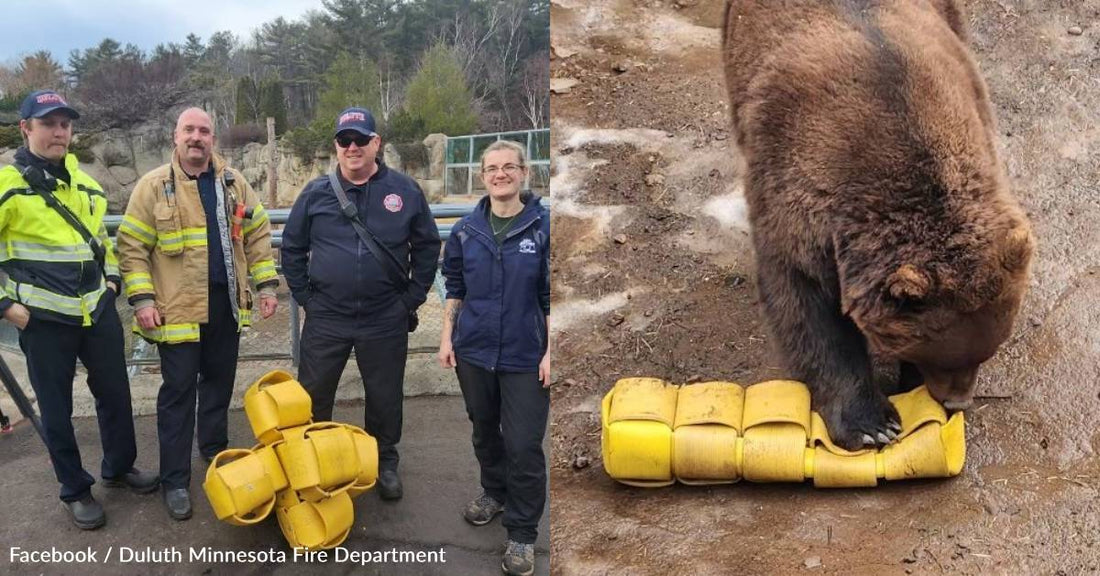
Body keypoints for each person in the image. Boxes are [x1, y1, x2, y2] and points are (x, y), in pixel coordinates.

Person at [0, 90, 158, 529]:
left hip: (98, 312)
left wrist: (112, 281)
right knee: (56, 409)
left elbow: (102, 243)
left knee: (115, 394)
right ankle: (75, 490)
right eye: (48, 123)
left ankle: (119, 467)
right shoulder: (6, 186)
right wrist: (6, 307)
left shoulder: (86, 183)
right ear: (26, 128)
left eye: (65, 124)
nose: (59, 132)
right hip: (43, 320)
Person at [116, 107, 279, 520]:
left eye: (204, 131)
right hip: (177, 312)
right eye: (189, 130)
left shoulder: (233, 183)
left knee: (219, 385)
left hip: (225, 308)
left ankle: (215, 452)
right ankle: (175, 481)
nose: (196, 137)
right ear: (175, 136)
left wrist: (265, 286)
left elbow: (258, 234)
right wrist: (143, 300)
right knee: (177, 395)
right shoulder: (153, 186)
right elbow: (131, 248)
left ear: (213, 139)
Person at [281, 107, 440, 501]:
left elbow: (427, 247)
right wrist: (307, 300)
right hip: (327, 316)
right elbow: (293, 249)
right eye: (344, 140)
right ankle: (314, 462)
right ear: (336, 146)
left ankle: (383, 461)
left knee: (385, 396)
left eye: (360, 140)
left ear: (376, 143)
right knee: (314, 394)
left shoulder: (404, 190)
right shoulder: (316, 193)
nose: (352, 147)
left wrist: (410, 299)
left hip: (385, 315)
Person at [438, 140, 551, 576]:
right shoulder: (467, 229)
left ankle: (522, 534)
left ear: (524, 173)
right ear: (481, 176)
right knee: (485, 430)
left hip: (525, 355)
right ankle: (494, 491)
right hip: (475, 351)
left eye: (508, 167)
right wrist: (448, 338)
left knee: (523, 445)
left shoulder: (543, 228)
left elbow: (549, 294)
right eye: (491, 169)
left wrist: (549, 350)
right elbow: (455, 286)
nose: (500, 174)